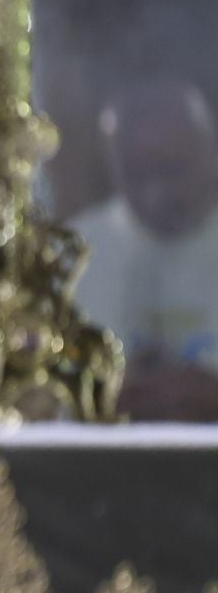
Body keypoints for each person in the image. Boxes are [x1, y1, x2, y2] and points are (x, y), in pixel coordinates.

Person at [71, 79, 218, 420]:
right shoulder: (72, 255)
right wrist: (102, 397)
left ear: (211, 156)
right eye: (137, 176)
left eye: (173, 169)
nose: (157, 193)